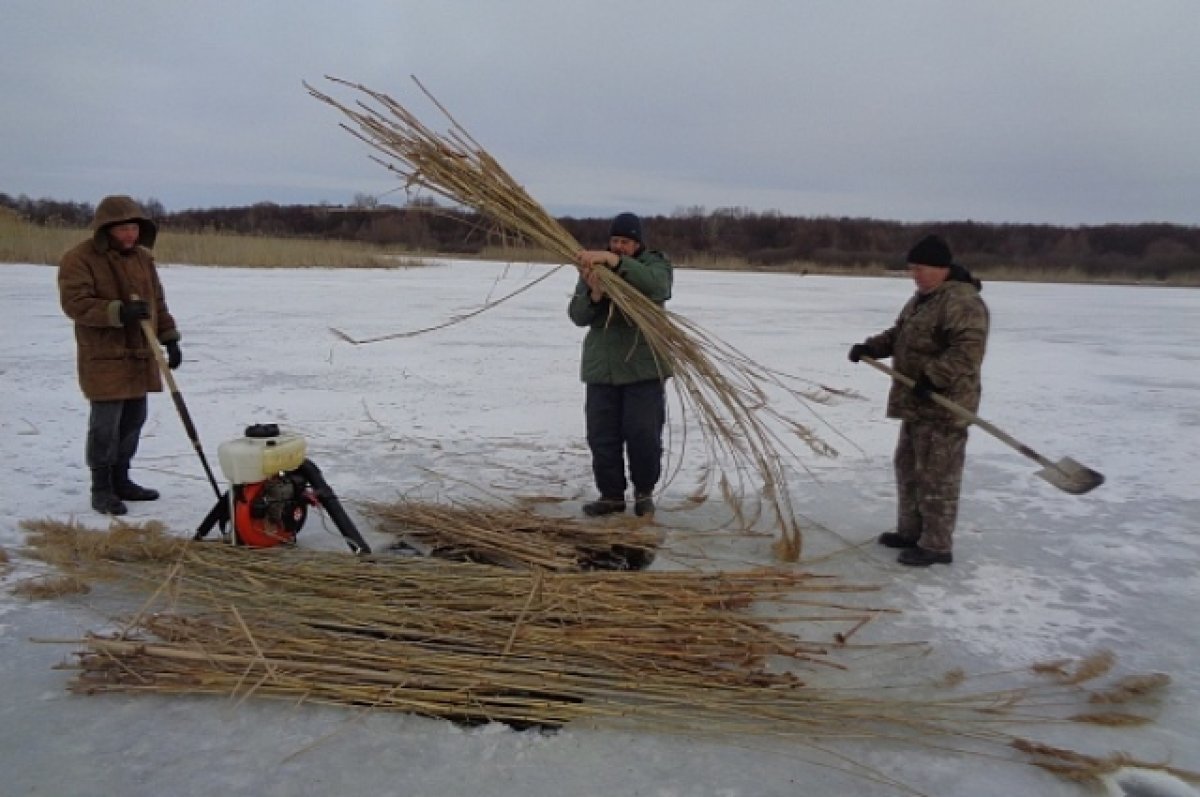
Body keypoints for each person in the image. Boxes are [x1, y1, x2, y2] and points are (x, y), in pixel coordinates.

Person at [848, 234, 988, 566]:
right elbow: (900, 336)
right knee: (908, 468)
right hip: (916, 404)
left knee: (937, 474)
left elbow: (967, 352)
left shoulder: (962, 303)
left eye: (921, 268)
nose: (915, 274)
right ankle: (910, 532)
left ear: (941, 268)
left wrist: (934, 377)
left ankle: (937, 545)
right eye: (912, 268)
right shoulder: (922, 299)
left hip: (944, 406)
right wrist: (872, 348)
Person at [58, 195, 183, 516]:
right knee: (105, 426)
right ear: (105, 229)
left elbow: (158, 300)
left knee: (133, 421)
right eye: (123, 229)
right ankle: (101, 487)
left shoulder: (143, 258)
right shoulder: (79, 259)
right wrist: (118, 312)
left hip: (141, 354)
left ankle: (121, 479)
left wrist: (169, 338)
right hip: (105, 356)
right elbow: (76, 303)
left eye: (134, 228)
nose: (130, 235)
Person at [569, 212, 673, 519]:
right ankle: (611, 496)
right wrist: (594, 294)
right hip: (602, 368)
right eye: (614, 241)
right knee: (601, 436)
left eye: (625, 242)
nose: (618, 247)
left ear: (637, 243)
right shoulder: (593, 269)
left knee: (643, 434)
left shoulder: (655, 264)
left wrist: (615, 264)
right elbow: (577, 316)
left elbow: (658, 287)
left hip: (643, 367)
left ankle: (644, 494)